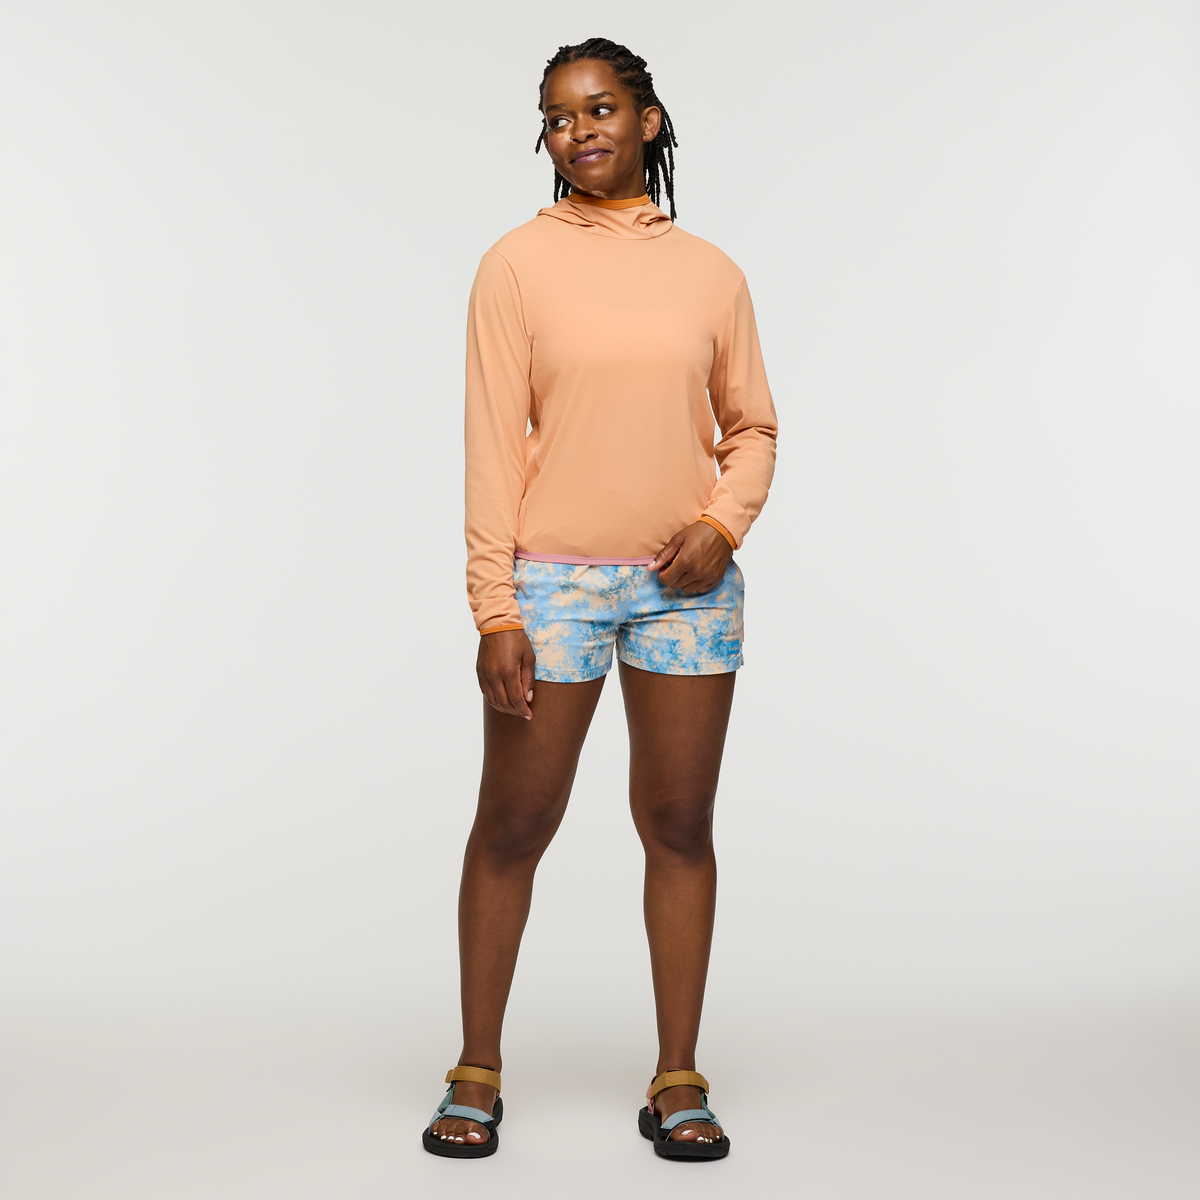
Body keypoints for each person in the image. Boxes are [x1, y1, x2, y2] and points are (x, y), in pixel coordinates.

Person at [422, 37, 778, 1162]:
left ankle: (678, 1078)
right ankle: (476, 1069)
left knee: (678, 826)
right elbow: (490, 446)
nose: (578, 132)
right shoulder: (515, 266)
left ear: (648, 119)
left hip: (688, 587)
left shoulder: (711, 273)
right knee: (515, 824)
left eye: (599, 109)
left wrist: (722, 526)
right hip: (553, 585)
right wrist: (495, 608)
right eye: (558, 117)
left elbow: (753, 429)